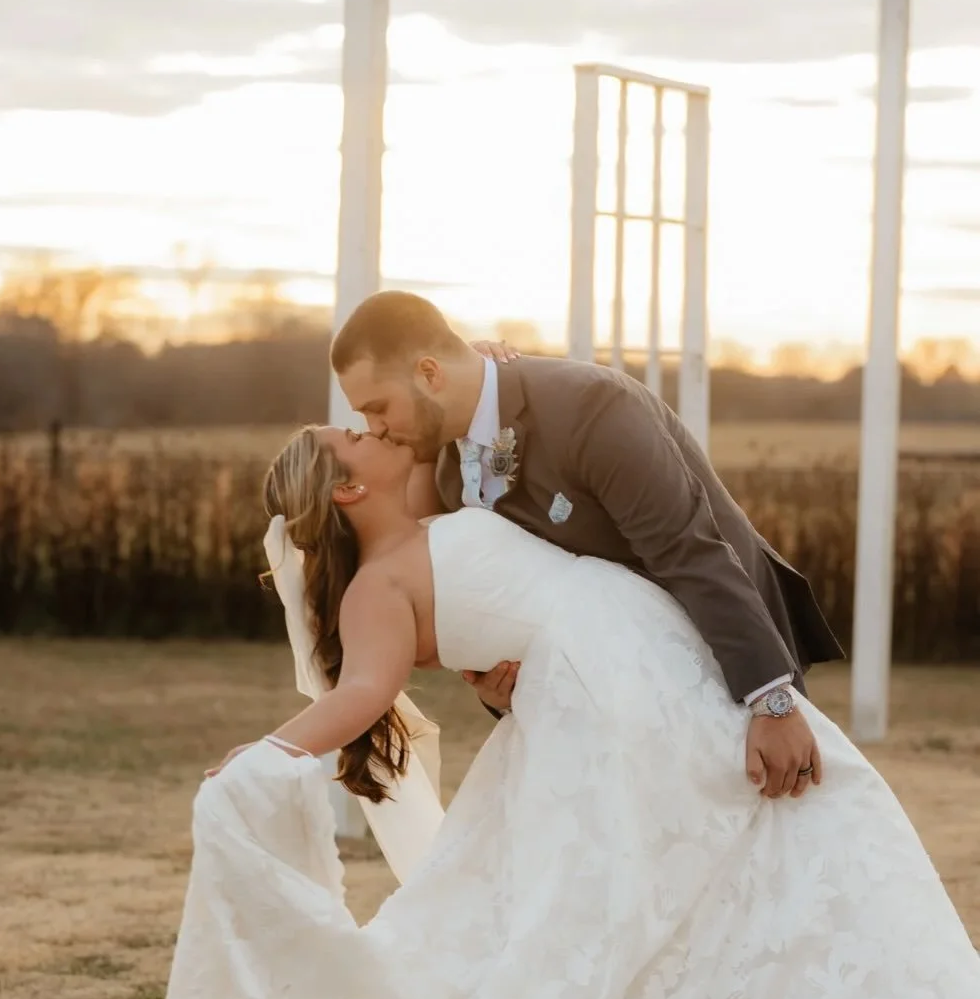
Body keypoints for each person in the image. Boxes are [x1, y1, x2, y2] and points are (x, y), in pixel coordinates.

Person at [155, 423, 980, 999]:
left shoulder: (434, 516)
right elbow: (363, 692)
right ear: (346, 489)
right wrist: (268, 752)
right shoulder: (377, 586)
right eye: (351, 435)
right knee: (671, 887)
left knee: (802, 830)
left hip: (647, 655)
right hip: (605, 695)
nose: (366, 426)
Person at [331, 290, 845, 799]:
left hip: (716, 664)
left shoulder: (591, 406)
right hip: (615, 704)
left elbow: (689, 549)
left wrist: (770, 701)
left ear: (429, 373)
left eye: (378, 408)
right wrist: (501, 686)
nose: (375, 429)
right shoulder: (448, 472)